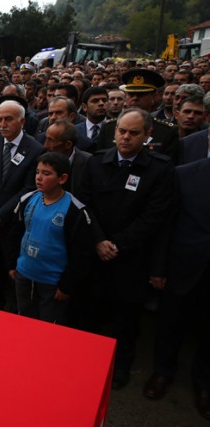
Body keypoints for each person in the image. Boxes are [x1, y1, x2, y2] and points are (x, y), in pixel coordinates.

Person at [76, 108, 173, 390]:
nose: (126, 137)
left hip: (130, 257)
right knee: (91, 312)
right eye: (122, 131)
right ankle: (86, 362)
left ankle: (120, 366)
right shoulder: (97, 162)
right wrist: (98, 240)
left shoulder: (159, 169)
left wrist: (117, 244)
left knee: (126, 319)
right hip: (96, 252)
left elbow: (154, 216)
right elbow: (83, 204)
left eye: (133, 133)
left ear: (147, 135)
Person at [143, 158, 210, 421]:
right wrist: (158, 268)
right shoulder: (184, 174)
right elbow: (166, 224)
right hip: (182, 265)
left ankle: (204, 385)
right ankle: (162, 372)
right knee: (170, 323)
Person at [7, 152, 93, 325]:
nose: (39, 177)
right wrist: (12, 264)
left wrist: (66, 286)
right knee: (24, 322)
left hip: (52, 283)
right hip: (24, 275)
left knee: (49, 327)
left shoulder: (75, 210)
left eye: (46, 174)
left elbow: (81, 253)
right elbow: (14, 234)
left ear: (62, 178)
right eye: (37, 172)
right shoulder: (27, 199)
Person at [0, 100, 44, 310]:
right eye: (0, 119)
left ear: (22, 121)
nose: (3, 124)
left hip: (15, 226)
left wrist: (1, 215)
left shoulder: (35, 149)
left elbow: (29, 189)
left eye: (8, 119)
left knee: (14, 278)